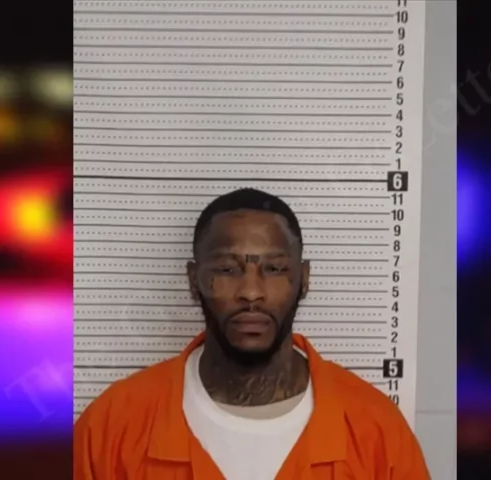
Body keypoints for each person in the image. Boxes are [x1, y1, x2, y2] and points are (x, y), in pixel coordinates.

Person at [74, 188, 430, 479]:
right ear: (193, 280)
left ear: (304, 279)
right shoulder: (112, 427)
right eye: (227, 269)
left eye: (274, 269)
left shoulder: (375, 429)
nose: (251, 292)